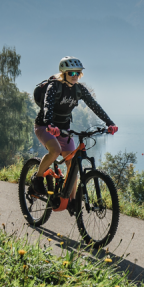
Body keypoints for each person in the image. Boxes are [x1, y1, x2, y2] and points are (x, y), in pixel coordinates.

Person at [32, 57, 117, 196]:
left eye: (78, 73)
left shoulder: (79, 89)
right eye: (71, 73)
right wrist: (50, 124)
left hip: (64, 129)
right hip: (45, 127)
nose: (75, 76)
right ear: (63, 73)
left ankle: (71, 202)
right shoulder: (54, 86)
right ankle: (38, 179)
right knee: (55, 151)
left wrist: (110, 123)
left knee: (72, 166)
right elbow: (47, 106)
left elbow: (94, 106)